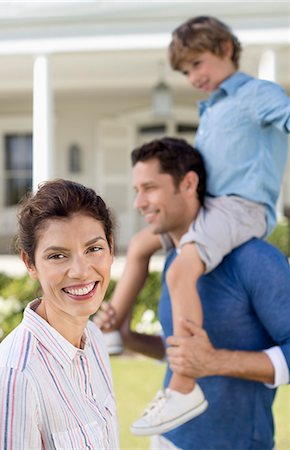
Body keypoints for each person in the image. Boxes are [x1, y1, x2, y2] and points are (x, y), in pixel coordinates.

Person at [102, 15, 290, 435]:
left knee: (183, 271)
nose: (192, 77)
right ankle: (112, 332)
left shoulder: (257, 94)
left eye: (198, 64)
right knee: (138, 245)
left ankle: (185, 386)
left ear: (226, 49)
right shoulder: (215, 107)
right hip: (210, 211)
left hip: (239, 208)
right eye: (186, 71)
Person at [95, 137, 290, 449]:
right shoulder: (175, 260)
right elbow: (180, 352)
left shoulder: (255, 259)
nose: (139, 202)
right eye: (137, 191)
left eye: (150, 188)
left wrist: (215, 362)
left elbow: (205, 359)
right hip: (168, 439)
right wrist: (129, 337)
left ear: (188, 183)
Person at [0, 179, 120, 450]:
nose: (81, 271)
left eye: (93, 249)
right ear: (30, 263)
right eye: (58, 256)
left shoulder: (94, 340)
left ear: (111, 249)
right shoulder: (17, 376)